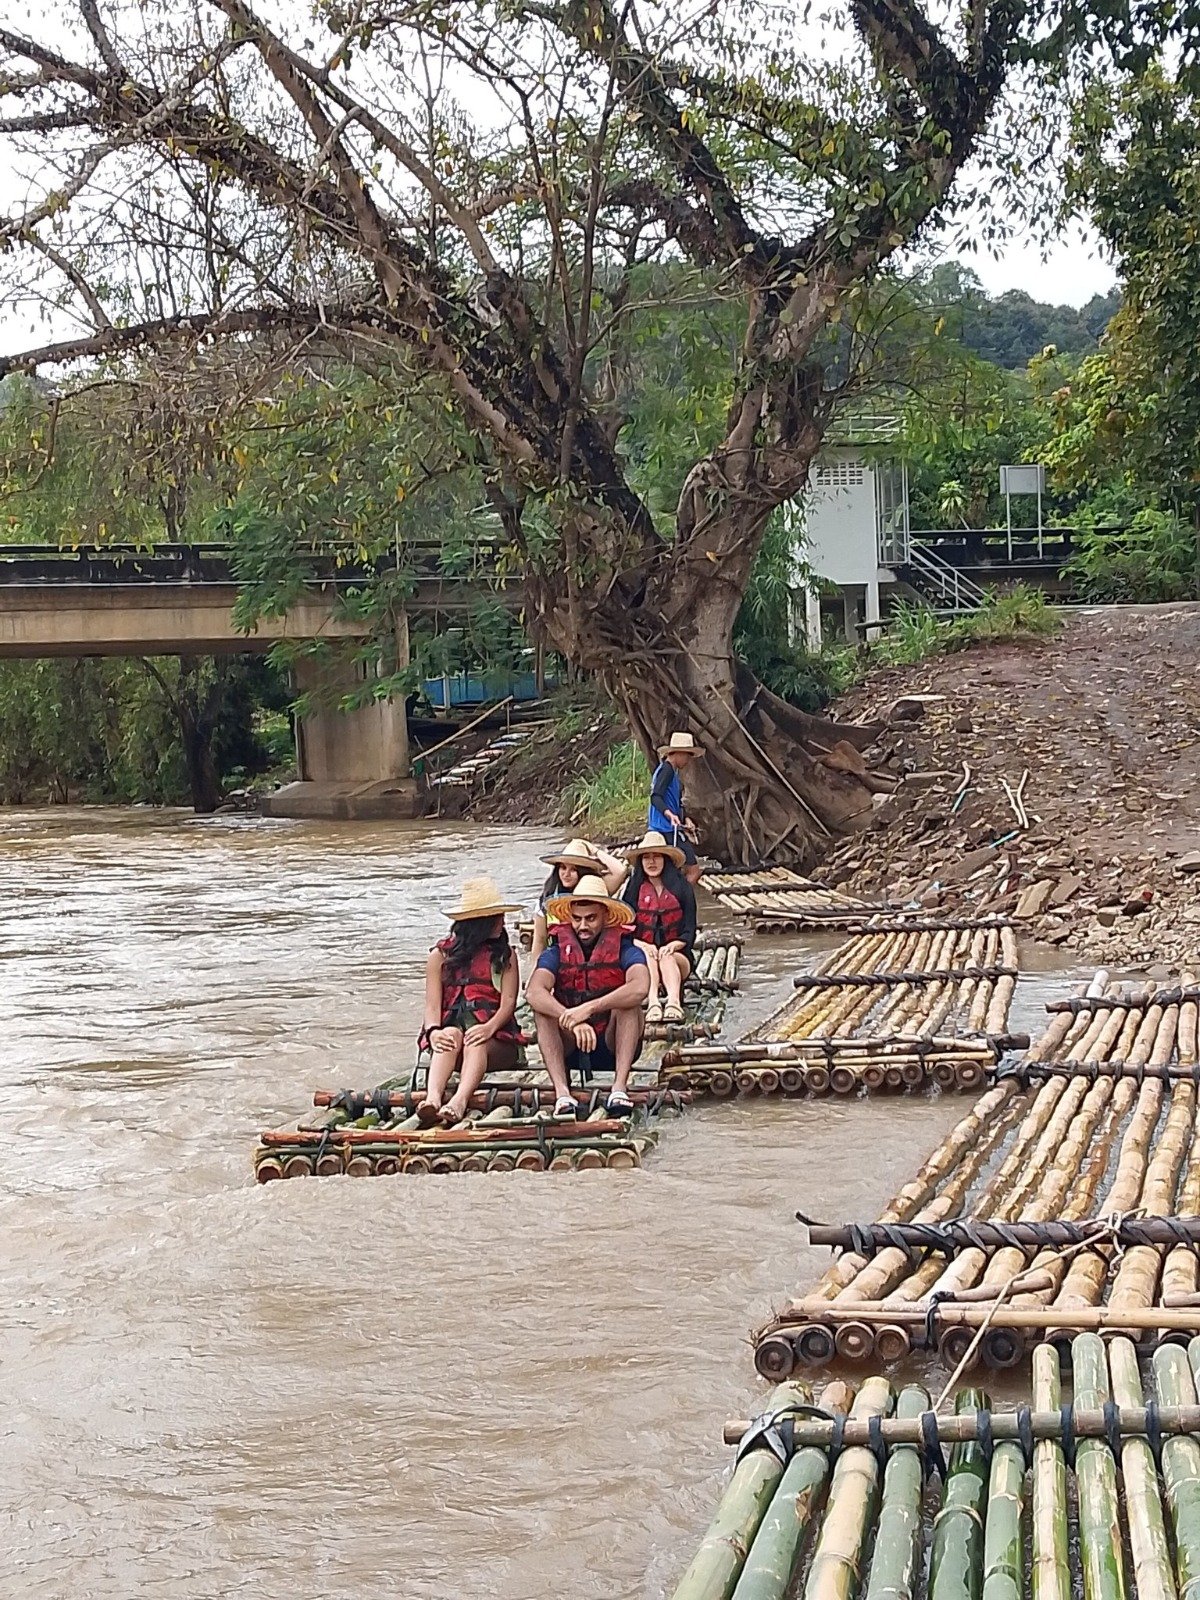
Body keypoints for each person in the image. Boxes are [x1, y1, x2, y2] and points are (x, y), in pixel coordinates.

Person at [525, 873, 649, 1118]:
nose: (583, 926)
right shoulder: (557, 950)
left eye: (591, 919)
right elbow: (533, 991)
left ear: (605, 916)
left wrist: (591, 1007)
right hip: (572, 1043)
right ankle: (562, 1093)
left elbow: (640, 986)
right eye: (577, 919)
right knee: (542, 1011)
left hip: (612, 1042)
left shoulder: (626, 948)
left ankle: (619, 1089)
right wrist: (571, 1018)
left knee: (628, 1004)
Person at [417, 877, 523, 1125]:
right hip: (455, 1042)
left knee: (475, 1038)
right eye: (496, 916)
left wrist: (489, 1027)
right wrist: (433, 1032)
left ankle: (459, 1101)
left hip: (495, 1042)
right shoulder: (439, 957)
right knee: (451, 1034)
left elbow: (508, 1004)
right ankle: (433, 1098)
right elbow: (432, 1006)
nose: (503, 921)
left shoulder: (506, 957)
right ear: (480, 923)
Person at [621, 830, 697, 1024]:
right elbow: (624, 930)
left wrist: (673, 946)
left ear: (665, 859)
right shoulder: (633, 889)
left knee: (666, 957)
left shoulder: (682, 888)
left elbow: (689, 931)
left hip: (677, 956)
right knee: (649, 955)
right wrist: (643, 945)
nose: (651, 862)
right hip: (644, 955)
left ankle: (673, 1003)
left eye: (656, 856)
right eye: (646, 857)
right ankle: (653, 1002)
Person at [531, 838, 629, 958]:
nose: (566, 874)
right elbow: (540, 940)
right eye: (563, 868)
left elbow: (620, 871)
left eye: (573, 869)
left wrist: (591, 848)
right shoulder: (546, 899)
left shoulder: (597, 889)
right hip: (559, 958)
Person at [648, 731, 704, 885]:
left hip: (667, 826)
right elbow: (656, 797)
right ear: (678, 753)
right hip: (665, 828)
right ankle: (679, 901)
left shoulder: (671, 772)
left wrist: (684, 818)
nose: (688, 760)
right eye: (687, 755)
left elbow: (674, 802)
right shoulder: (666, 770)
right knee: (693, 870)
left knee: (671, 870)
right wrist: (669, 815)